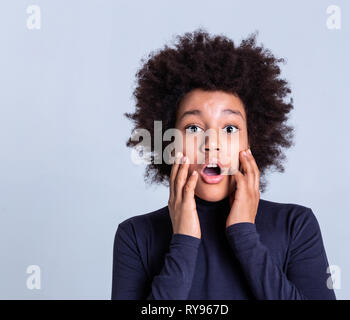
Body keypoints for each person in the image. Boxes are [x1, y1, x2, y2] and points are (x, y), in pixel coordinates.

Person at [112, 28, 336, 300]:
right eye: (193, 128)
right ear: (170, 141)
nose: (211, 143)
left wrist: (244, 234)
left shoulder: (295, 225)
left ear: (252, 141)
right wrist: (183, 241)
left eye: (229, 129)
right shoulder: (136, 236)